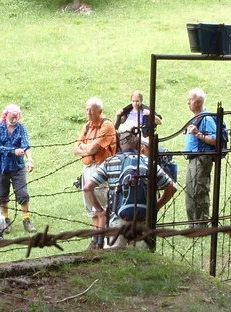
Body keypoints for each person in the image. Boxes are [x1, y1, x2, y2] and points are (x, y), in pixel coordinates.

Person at [84, 129, 177, 248]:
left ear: (119, 144)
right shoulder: (148, 163)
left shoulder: (110, 162)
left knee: (114, 257)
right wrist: (155, 207)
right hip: (143, 221)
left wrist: (100, 211)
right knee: (141, 257)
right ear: (139, 145)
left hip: (117, 221)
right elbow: (172, 188)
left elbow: (87, 188)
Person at [72, 97, 117, 243]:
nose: (88, 113)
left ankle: (102, 241)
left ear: (100, 111)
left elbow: (93, 149)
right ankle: (95, 239)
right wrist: (87, 149)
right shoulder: (87, 126)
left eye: (91, 110)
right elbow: (75, 148)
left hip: (100, 168)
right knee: (92, 209)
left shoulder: (107, 126)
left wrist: (85, 148)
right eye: (87, 110)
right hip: (87, 168)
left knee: (101, 206)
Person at [0, 104, 36, 233]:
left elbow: (26, 145)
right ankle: (5, 219)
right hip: (2, 167)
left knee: (23, 193)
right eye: (12, 117)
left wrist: (30, 160)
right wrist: (13, 151)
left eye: (16, 117)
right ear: (6, 115)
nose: (14, 120)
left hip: (18, 167)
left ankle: (26, 219)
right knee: (2, 194)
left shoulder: (21, 128)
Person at [184, 88, 220, 224]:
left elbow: (215, 140)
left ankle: (201, 225)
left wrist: (197, 134)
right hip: (192, 159)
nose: (188, 102)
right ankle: (192, 225)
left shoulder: (206, 118)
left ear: (199, 102)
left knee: (199, 191)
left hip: (201, 159)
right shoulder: (194, 118)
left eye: (191, 99)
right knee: (190, 192)